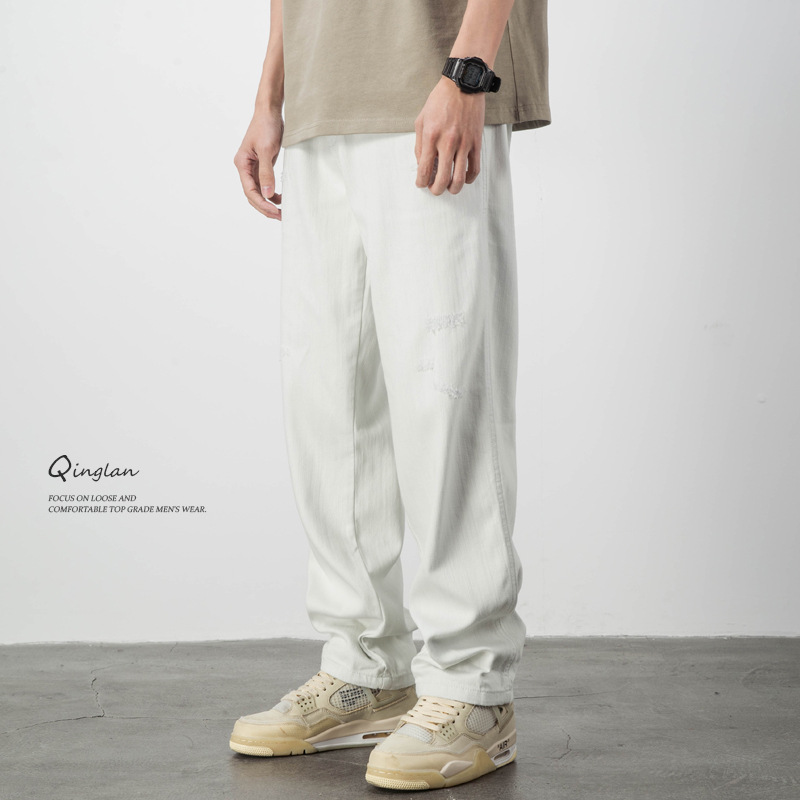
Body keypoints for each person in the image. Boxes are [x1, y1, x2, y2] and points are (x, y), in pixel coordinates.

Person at [230, 0, 551, 790]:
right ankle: (364, 668)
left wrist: (469, 73)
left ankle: (474, 687)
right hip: (321, 94)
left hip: (433, 73)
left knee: (444, 390)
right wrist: (271, 94)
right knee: (328, 399)